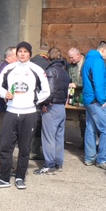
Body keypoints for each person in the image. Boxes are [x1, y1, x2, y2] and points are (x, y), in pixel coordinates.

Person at [0, 41, 50, 190]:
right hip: (11, 112)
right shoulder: (9, 68)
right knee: (6, 147)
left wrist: (34, 100)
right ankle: (4, 178)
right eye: (20, 52)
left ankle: (20, 177)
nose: (22, 54)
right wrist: (5, 94)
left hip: (29, 114)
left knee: (24, 148)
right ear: (16, 54)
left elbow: (46, 91)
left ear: (30, 54)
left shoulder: (36, 69)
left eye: (25, 52)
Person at [35, 47, 70, 175]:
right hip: (61, 107)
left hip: (51, 107)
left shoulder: (50, 71)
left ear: (49, 56)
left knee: (48, 137)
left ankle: (49, 164)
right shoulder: (64, 72)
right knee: (59, 137)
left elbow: (49, 90)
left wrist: (45, 103)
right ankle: (58, 163)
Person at [81, 41, 106, 170]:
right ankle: (102, 159)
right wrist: (102, 100)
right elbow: (98, 82)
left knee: (90, 128)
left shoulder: (87, 60)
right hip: (96, 100)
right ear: (103, 50)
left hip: (88, 99)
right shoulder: (98, 61)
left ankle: (89, 158)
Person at [29, 46, 50, 160]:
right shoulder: (47, 64)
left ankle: (26, 148)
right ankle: (35, 151)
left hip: (27, 97)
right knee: (37, 125)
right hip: (39, 98)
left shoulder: (30, 62)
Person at [67, 47, 86, 149]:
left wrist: (76, 84)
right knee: (82, 120)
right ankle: (84, 141)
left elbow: (88, 80)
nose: (71, 60)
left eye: (72, 57)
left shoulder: (87, 63)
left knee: (89, 121)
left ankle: (90, 143)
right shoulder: (71, 66)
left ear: (78, 55)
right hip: (77, 98)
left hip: (87, 96)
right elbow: (69, 79)